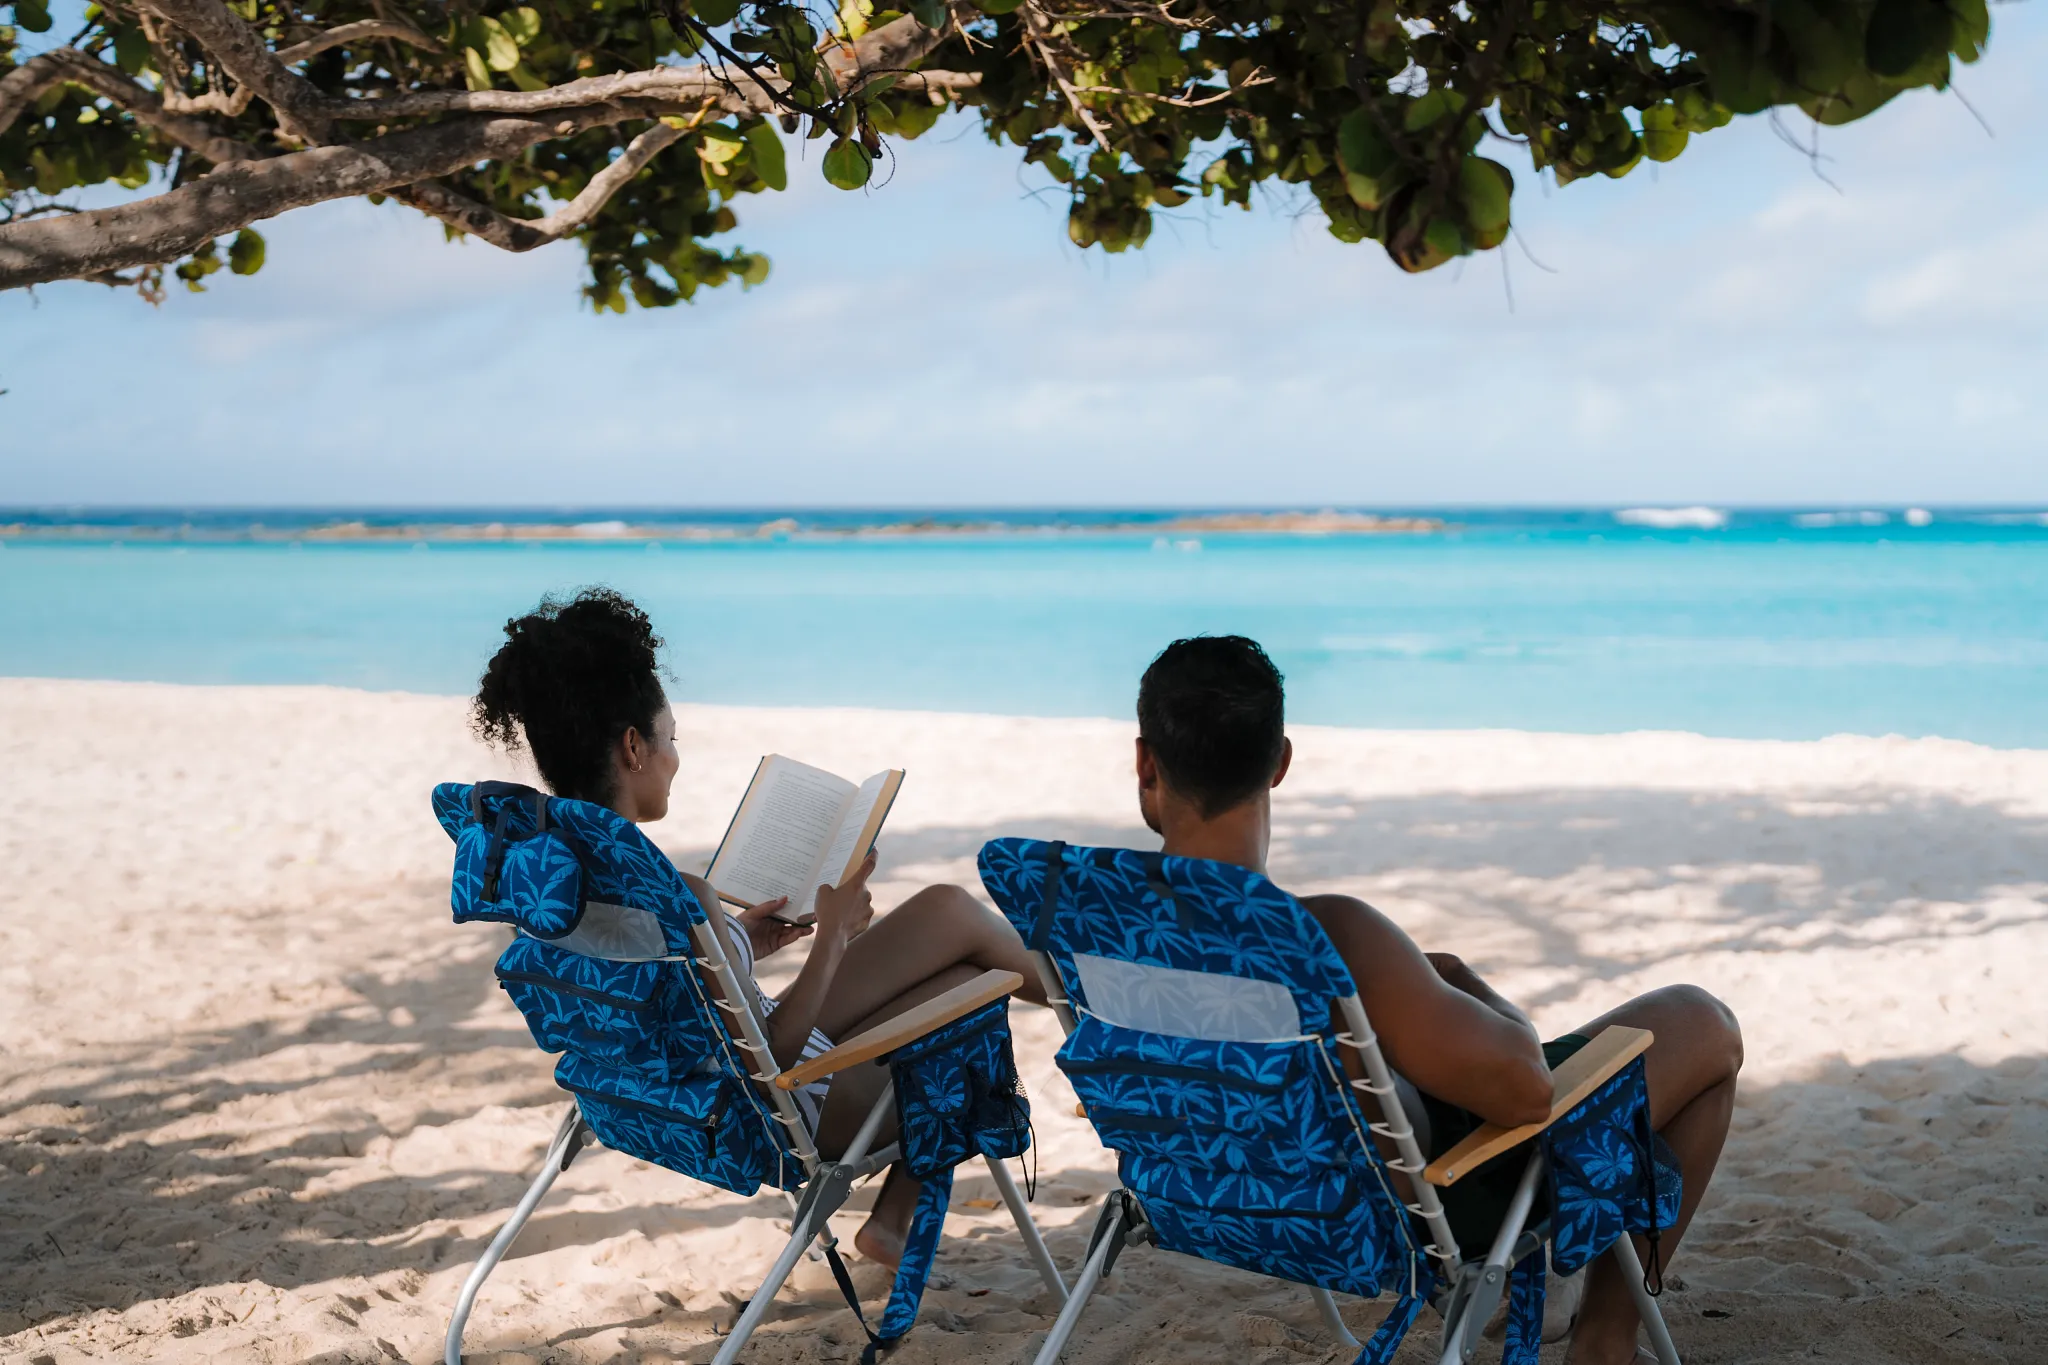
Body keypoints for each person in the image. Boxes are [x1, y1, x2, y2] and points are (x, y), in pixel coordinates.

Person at [1131, 635, 1742, 1365]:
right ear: (1281, 761)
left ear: (1145, 763)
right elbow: (1525, 1092)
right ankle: (1604, 1340)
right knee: (1703, 1022)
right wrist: (1473, 988)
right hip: (1407, 1214)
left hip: (1204, 1195)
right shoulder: (1331, 933)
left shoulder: (1096, 928)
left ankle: (1559, 1299)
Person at [470, 587, 1046, 1266]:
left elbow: (663, 993)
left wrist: (742, 939)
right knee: (973, 1010)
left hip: (653, 1101)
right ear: (633, 746)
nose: (674, 757)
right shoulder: (677, 897)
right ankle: (1099, 1016)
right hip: (775, 1115)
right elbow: (769, 1059)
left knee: (947, 910)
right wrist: (832, 936)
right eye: (670, 738)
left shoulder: (546, 876)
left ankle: (898, 1214)